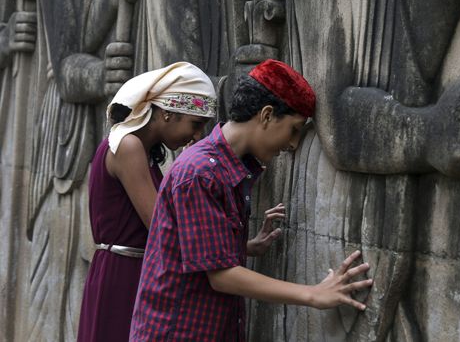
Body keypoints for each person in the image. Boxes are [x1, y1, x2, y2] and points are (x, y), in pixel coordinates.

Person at [129, 59, 373, 341]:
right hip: (177, 332)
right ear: (267, 115)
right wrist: (313, 293)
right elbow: (221, 276)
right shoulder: (200, 173)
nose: (292, 144)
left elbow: (199, 252)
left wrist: (243, 247)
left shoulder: (226, 167)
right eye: (293, 129)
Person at [77, 62, 217, 342]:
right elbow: (161, 225)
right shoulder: (128, 146)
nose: (198, 136)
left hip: (132, 270)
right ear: (167, 114)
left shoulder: (142, 150)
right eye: (196, 124)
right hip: (123, 275)